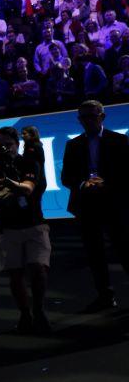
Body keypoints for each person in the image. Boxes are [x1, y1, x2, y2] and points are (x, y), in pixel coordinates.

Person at [0, 127, 52, 333]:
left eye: (8, 144)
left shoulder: (29, 162)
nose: (5, 148)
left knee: (38, 269)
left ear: (17, 144)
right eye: (0, 145)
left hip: (33, 223)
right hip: (6, 227)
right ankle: (25, 313)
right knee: (15, 275)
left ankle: (39, 310)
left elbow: (27, 189)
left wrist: (5, 179)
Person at [60, 100, 129, 310]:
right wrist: (84, 183)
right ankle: (105, 296)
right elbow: (66, 177)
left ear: (102, 116)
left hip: (114, 204)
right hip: (87, 205)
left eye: (91, 116)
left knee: (125, 250)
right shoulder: (73, 145)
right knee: (95, 254)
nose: (87, 121)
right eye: (83, 117)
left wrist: (106, 183)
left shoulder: (119, 141)